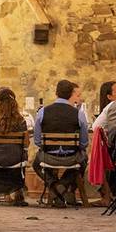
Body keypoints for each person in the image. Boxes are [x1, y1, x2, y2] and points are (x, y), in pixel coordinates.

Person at [33, 79, 88, 207]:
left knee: (36, 164)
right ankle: (63, 187)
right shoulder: (78, 114)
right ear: (71, 94)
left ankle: (55, 186)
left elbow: (37, 140)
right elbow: (84, 143)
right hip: (71, 158)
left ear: (56, 93)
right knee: (83, 160)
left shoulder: (42, 112)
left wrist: (47, 147)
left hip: (48, 156)